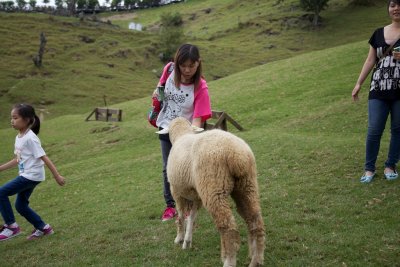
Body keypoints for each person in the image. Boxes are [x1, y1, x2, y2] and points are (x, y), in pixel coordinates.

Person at [154, 44, 212, 221]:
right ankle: (171, 206)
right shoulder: (169, 69)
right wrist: (157, 95)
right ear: (177, 63)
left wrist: (188, 141)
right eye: (183, 66)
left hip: (186, 135)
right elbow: (161, 87)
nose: (187, 70)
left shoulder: (200, 87)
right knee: (168, 168)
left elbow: (197, 119)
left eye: (191, 66)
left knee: (187, 169)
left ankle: (189, 205)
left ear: (198, 64)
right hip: (166, 127)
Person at [0, 104, 66, 241]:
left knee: (1, 192)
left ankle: (11, 227)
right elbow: (18, 159)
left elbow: (44, 157)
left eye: (15, 118)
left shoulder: (30, 138)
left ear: (27, 119)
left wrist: (57, 176)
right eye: (11, 118)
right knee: (20, 205)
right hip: (28, 175)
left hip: (31, 176)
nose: (12, 121)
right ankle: (43, 228)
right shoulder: (19, 137)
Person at [352, 0, 400, 183]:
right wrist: (359, 83)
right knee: (374, 130)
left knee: (398, 129)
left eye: (399, 4)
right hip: (378, 88)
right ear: (388, 9)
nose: (396, 8)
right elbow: (370, 60)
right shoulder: (378, 33)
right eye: (393, 4)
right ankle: (369, 169)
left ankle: (391, 165)